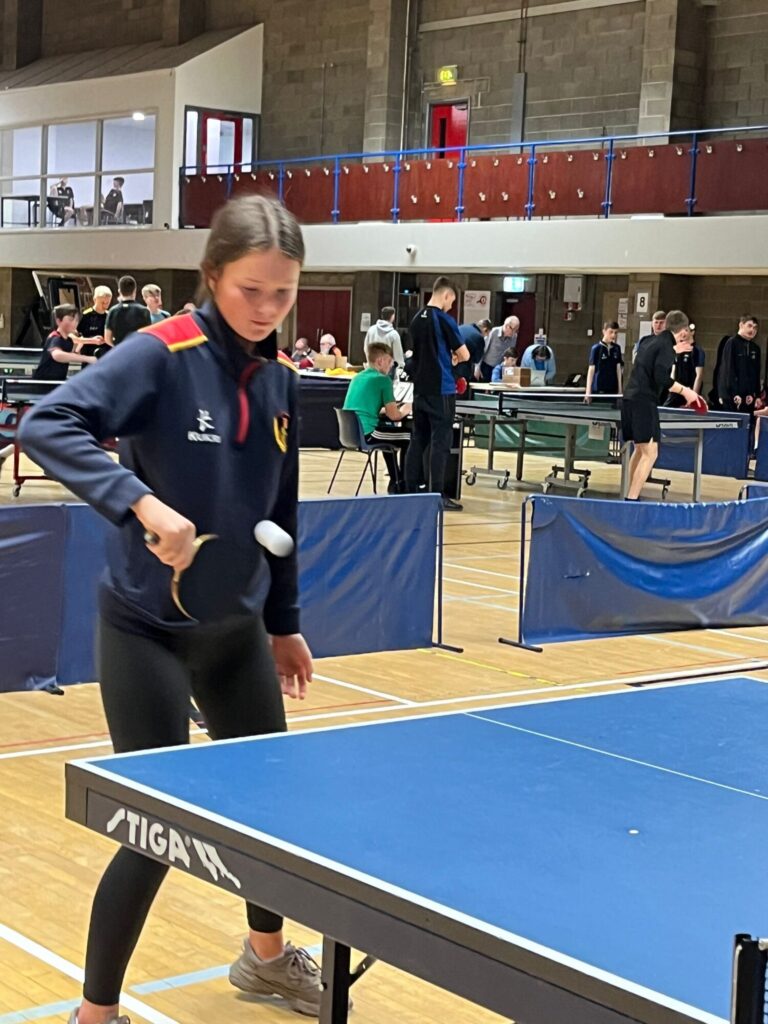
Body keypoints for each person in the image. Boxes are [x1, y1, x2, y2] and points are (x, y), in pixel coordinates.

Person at [19, 195, 322, 1023]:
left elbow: (281, 510)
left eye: (283, 295)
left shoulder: (283, 379)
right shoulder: (161, 353)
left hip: (234, 633)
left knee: (267, 815)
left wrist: (283, 622)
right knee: (156, 829)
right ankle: (96, 1013)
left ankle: (265, 961)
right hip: (145, 629)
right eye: (250, 291)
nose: (265, 311)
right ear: (212, 275)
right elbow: (48, 424)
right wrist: (138, 503)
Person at [404, 276, 469, 512]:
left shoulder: (415, 320)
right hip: (441, 389)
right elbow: (465, 354)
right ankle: (437, 494)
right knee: (440, 444)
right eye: (452, 300)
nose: (451, 305)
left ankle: (410, 491)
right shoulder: (444, 320)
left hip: (419, 389)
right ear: (446, 295)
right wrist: (454, 357)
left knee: (417, 440)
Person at [621, 309, 700, 500]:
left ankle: (628, 495)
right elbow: (661, 377)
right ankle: (631, 499)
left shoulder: (651, 342)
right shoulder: (665, 347)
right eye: (685, 335)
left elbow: (651, 360)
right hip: (644, 401)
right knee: (651, 452)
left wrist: (674, 351)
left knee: (640, 450)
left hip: (629, 398)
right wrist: (687, 391)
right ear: (682, 333)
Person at [343, 341, 412, 491]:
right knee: (410, 436)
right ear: (380, 361)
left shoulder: (358, 377)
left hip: (351, 433)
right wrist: (406, 408)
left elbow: (363, 407)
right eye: (389, 362)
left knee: (390, 433)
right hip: (368, 433)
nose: (390, 366)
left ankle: (396, 480)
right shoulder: (383, 380)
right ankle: (402, 483)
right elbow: (394, 416)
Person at [32, 304, 97, 380]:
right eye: (70, 319)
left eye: (76, 320)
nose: (74, 323)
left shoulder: (69, 340)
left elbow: (73, 353)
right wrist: (86, 358)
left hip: (58, 381)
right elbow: (57, 355)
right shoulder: (55, 337)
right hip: (43, 383)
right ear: (59, 321)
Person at [715, 315, 761, 413]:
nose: (752, 329)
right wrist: (732, 393)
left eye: (755, 327)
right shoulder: (732, 343)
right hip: (732, 395)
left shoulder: (755, 348)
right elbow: (727, 370)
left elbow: (756, 373)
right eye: (749, 326)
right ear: (741, 325)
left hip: (748, 397)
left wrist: (757, 395)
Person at [104, 276, 151, 347]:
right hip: (138, 350)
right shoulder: (144, 311)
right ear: (135, 290)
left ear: (119, 291)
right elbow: (148, 335)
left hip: (120, 352)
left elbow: (107, 338)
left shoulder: (113, 311)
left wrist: (117, 347)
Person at [665, 322, 705, 407]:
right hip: (677, 389)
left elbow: (699, 375)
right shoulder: (678, 349)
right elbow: (674, 370)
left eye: (686, 330)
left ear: (692, 332)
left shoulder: (697, 350)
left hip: (688, 389)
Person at [585, 322, 623, 401]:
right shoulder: (596, 349)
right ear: (604, 331)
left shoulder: (617, 348)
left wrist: (620, 389)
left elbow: (618, 369)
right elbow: (591, 370)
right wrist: (588, 392)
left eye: (615, 333)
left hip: (612, 388)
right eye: (611, 332)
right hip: (599, 387)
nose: (613, 335)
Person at [478, 316, 518, 382]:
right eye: (513, 329)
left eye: (516, 330)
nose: (514, 332)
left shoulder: (514, 336)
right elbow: (483, 349)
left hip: (501, 368)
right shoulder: (493, 332)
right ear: (507, 326)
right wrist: (477, 367)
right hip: (487, 366)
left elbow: (511, 353)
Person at [77, 286, 113, 358]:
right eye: (102, 302)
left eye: (108, 302)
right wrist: (92, 340)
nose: (105, 305)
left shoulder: (110, 316)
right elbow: (74, 338)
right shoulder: (86, 316)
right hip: (89, 356)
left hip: (107, 356)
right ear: (95, 300)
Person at [458, 318, 491, 387]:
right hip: (461, 369)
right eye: (487, 334)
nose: (486, 336)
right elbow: (477, 359)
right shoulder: (479, 338)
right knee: (461, 394)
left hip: (447, 361)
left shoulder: (462, 327)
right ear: (485, 330)